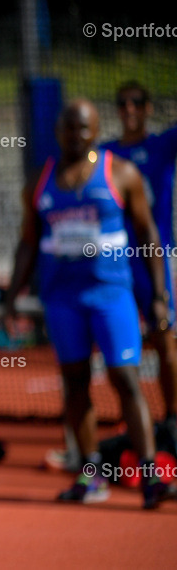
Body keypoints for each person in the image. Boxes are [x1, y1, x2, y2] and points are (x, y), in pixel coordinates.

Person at [4, 100, 171, 509]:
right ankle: (90, 472)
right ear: (58, 131)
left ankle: (150, 473)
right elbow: (28, 241)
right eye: (68, 128)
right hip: (64, 299)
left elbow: (148, 234)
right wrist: (12, 293)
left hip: (110, 295)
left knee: (126, 380)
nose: (75, 135)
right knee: (75, 384)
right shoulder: (41, 181)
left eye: (83, 128)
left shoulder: (120, 173)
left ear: (96, 132)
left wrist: (161, 297)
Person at [101, 81, 177, 444]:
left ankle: (173, 419)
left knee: (165, 337)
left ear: (148, 108)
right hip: (116, 265)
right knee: (120, 346)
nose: (128, 109)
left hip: (154, 260)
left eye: (136, 103)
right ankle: (129, 423)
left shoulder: (161, 145)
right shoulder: (105, 154)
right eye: (122, 103)